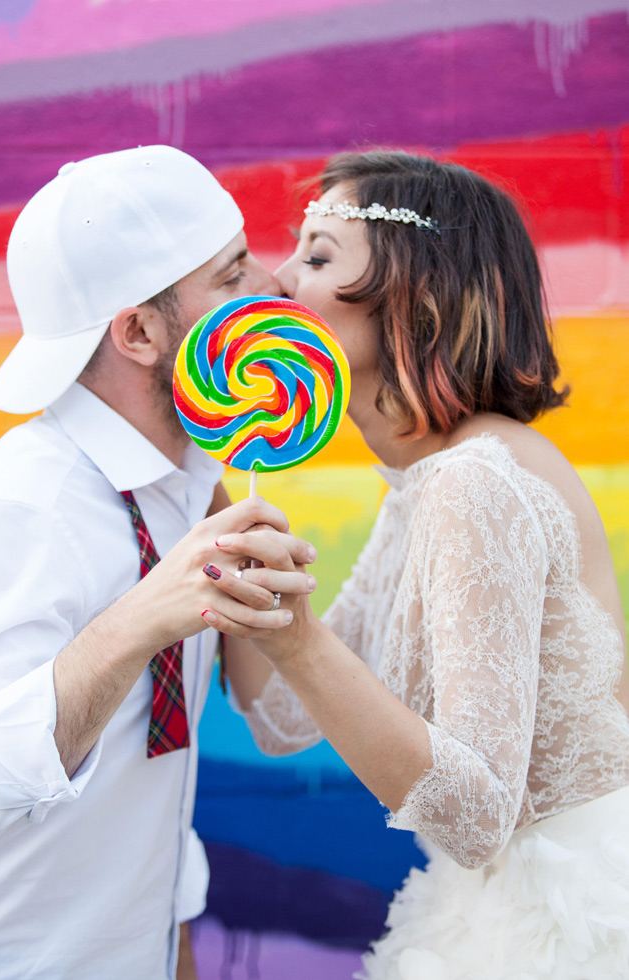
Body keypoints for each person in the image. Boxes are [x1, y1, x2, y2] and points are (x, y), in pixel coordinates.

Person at [205, 151, 629, 978]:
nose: (277, 279)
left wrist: (297, 638)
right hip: (496, 903)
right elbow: (285, 718)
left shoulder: (475, 484)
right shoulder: (424, 481)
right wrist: (215, 512)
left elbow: (476, 814)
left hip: (565, 922)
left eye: (319, 257)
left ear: (417, 298)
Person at [0, 145, 315, 980]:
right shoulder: (24, 509)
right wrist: (139, 620)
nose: (274, 286)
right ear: (139, 331)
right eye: (232, 272)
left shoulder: (190, 486)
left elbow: (153, 781)